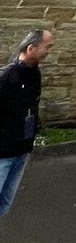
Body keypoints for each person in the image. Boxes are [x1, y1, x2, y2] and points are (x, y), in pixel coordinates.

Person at [0, 29, 54, 217]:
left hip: (22, 151)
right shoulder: (7, 76)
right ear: (31, 48)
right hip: (3, 153)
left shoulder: (35, 74)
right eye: (48, 47)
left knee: (4, 203)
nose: (49, 51)